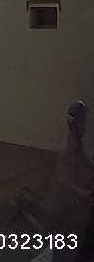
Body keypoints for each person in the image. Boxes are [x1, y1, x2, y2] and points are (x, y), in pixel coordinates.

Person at [47, 100, 94, 261]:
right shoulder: (66, 148)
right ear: (76, 123)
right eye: (83, 121)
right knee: (65, 252)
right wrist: (84, 193)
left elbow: (86, 160)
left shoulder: (78, 143)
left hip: (75, 207)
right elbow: (63, 181)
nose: (85, 125)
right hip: (65, 210)